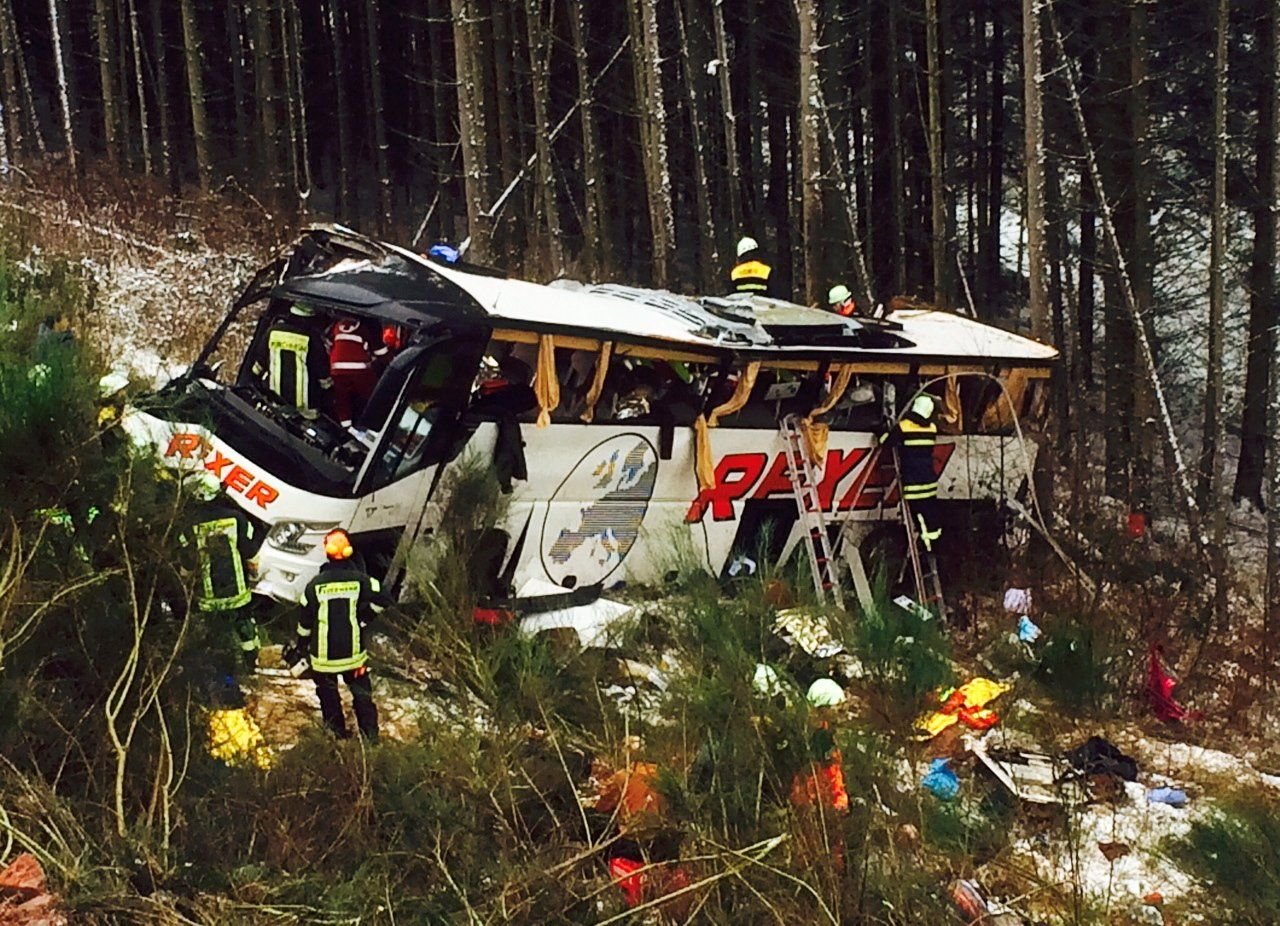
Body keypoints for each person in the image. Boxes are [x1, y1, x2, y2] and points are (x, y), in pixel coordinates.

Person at [289, 529, 390, 740]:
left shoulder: (314, 586)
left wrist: (301, 645)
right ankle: (370, 737)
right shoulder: (360, 580)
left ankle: (337, 735)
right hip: (353, 656)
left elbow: (305, 622)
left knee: (328, 696)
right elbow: (384, 597)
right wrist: (365, 617)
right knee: (362, 694)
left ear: (327, 551)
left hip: (323, 660)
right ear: (349, 551)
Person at [185, 474, 263, 668]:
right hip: (237, 590)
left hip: (208, 596)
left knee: (214, 634)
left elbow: (186, 561)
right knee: (245, 628)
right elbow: (250, 553)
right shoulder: (236, 519)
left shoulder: (190, 523)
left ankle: (218, 670)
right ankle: (251, 664)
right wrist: (254, 575)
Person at [880, 392, 942, 552]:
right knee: (930, 512)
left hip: (913, 481)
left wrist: (882, 431)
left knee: (918, 515)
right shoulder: (932, 428)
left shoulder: (904, 426)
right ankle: (934, 544)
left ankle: (927, 546)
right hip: (929, 479)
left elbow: (886, 442)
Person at [262, 302, 332, 416]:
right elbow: (324, 378)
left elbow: (257, 367)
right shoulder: (312, 339)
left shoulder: (273, 332)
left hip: (274, 405)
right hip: (306, 412)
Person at [328, 315, 388, 428]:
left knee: (342, 399)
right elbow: (379, 350)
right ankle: (376, 424)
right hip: (359, 368)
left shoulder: (339, 323)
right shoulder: (371, 325)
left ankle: (345, 426)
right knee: (374, 396)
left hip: (336, 368)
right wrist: (392, 359)